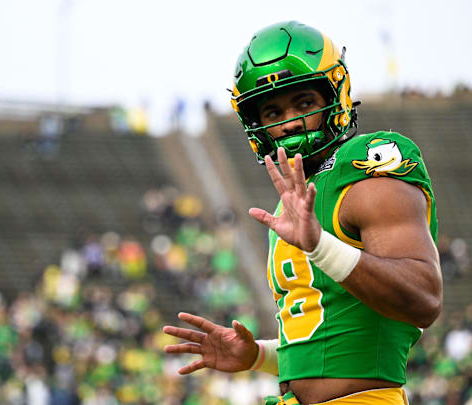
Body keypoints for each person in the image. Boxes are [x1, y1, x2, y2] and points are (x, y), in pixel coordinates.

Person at [163, 21, 442, 405]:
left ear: (336, 94)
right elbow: (329, 343)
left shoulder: (365, 165)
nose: (290, 121)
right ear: (255, 125)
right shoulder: (291, 202)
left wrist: (320, 245)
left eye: (305, 103)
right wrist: (257, 355)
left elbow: (423, 298)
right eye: (273, 111)